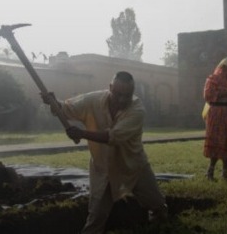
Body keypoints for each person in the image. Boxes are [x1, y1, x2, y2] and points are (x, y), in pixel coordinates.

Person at [45, 71, 168, 234]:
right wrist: (54, 103)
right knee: (96, 216)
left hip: (133, 165)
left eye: (127, 95)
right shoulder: (94, 100)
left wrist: (81, 133)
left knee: (157, 204)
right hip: (103, 168)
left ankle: (161, 222)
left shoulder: (137, 110)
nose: (122, 100)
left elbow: (113, 137)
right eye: (118, 94)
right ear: (110, 88)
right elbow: (67, 108)